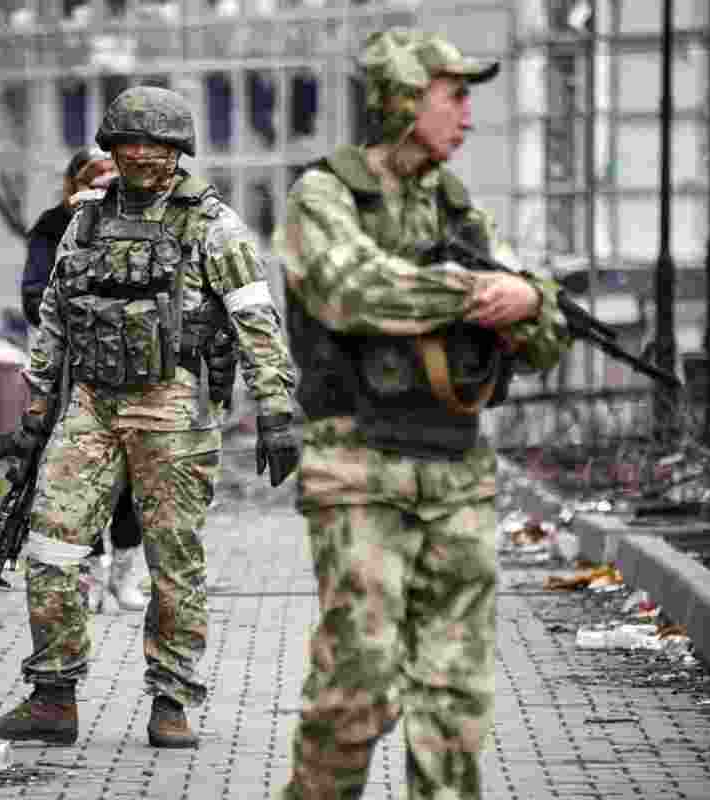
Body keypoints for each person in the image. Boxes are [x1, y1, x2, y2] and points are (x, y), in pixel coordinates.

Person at [276, 30, 573, 799]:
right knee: (360, 686)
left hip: (457, 474)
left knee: (454, 700)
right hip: (359, 469)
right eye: (456, 95)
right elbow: (351, 290)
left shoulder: (456, 206)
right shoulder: (324, 195)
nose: (469, 115)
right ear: (405, 99)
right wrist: (479, 295)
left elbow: (543, 335)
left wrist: (531, 298)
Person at [0, 85, 299, 749]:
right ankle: (53, 697)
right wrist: (37, 410)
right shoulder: (85, 223)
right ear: (111, 148)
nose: (142, 154)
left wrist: (276, 410)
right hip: (91, 408)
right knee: (52, 548)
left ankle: (172, 701)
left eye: (158, 145)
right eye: (129, 143)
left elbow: (256, 321)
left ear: (180, 152)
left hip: (174, 413)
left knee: (173, 563)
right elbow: (56, 321)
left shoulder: (213, 226)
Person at [22, 145, 147, 612]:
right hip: (76, 372)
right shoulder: (55, 226)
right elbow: (35, 298)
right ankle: (89, 577)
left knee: (134, 475)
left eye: (113, 175)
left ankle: (125, 575)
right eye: (95, 175)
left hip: (136, 372)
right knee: (80, 477)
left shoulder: (143, 222)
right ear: (75, 180)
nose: (105, 184)